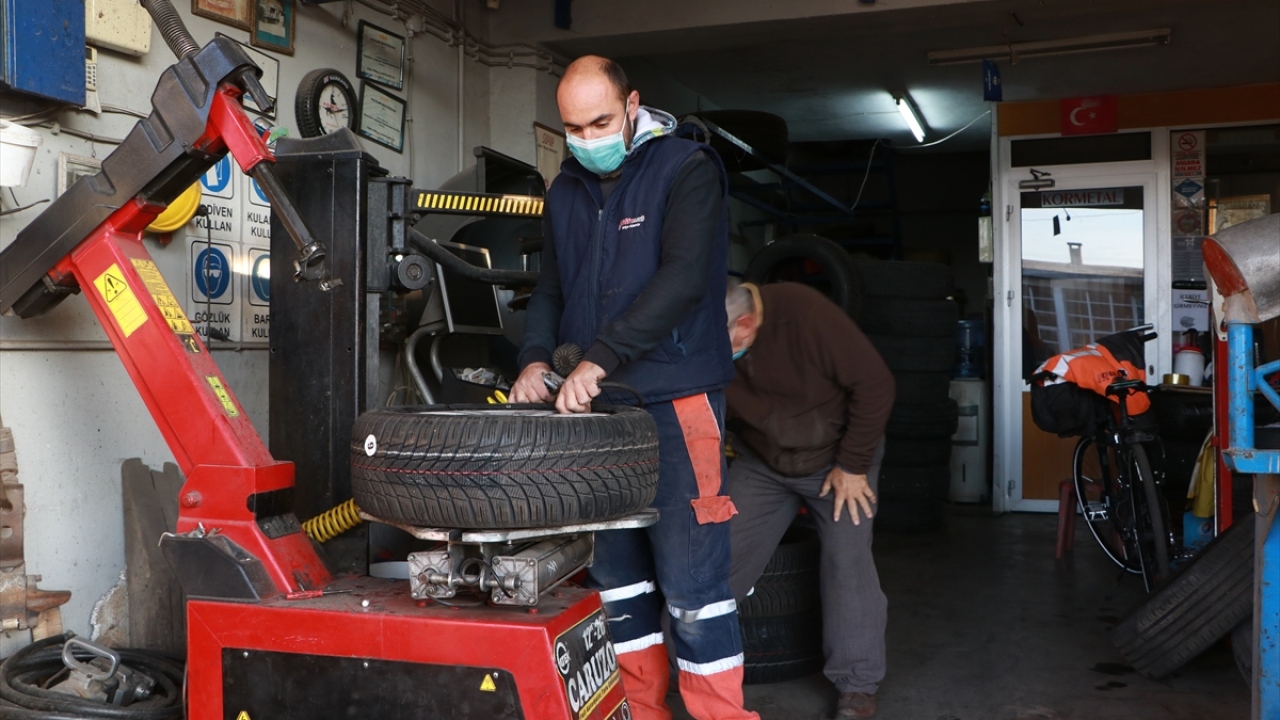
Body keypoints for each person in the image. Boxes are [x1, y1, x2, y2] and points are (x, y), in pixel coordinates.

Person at [509, 56, 757, 720]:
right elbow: (553, 290)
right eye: (573, 128)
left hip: (678, 407)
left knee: (694, 592)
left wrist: (600, 359)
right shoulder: (564, 190)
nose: (588, 139)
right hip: (599, 418)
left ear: (633, 106)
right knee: (617, 587)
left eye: (601, 122)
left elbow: (682, 279)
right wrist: (535, 358)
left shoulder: (685, 169)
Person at [723, 279, 895, 720]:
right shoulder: (710, 325)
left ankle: (857, 687)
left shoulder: (804, 313)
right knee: (715, 555)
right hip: (764, 457)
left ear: (745, 322)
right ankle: (686, 664)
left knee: (846, 562)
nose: (710, 352)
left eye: (720, 342)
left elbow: (876, 385)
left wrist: (854, 465)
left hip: (836, 458)